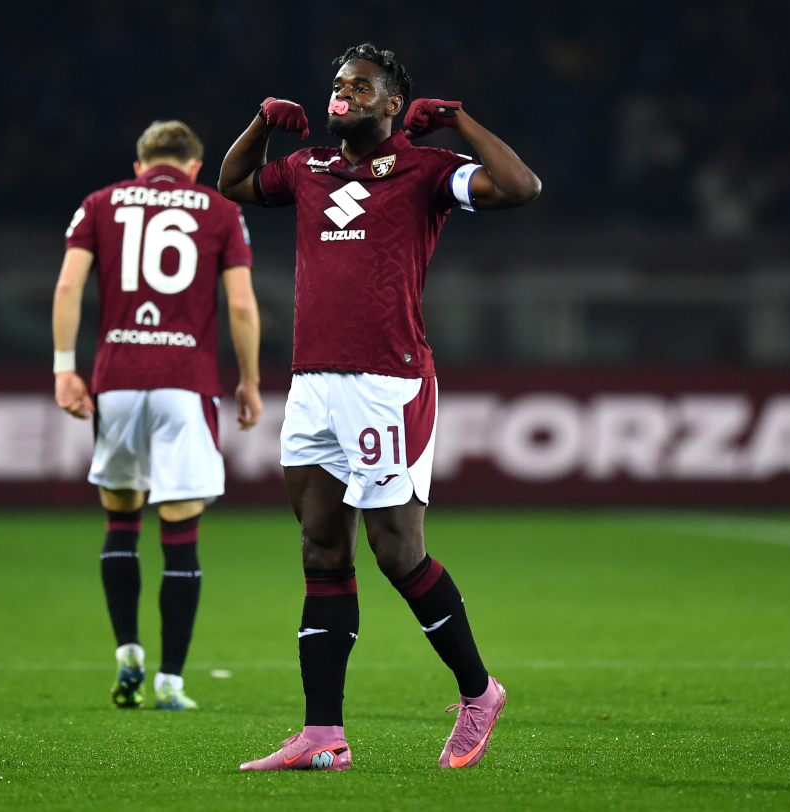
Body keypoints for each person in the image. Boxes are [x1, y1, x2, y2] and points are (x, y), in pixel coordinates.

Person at [218, 43, 540, 769]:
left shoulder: (426, 170)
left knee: (397, 551)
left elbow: (520, 186)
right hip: (312, 384)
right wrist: (261, 122)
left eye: (362, 86)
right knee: (320, 548)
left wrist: (457, 121)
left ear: (394, 105)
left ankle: (479, 690)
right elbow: (233, 181)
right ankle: (323, 735)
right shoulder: (308, 169)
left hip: (386, 384)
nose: (344, 93)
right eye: (338, 83)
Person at [52, 120, 263, 711]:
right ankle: (170, 680)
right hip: (185, 385)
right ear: (193, 167)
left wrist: (64, 368)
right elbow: (241, 303)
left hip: (115, 382)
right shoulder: (219, 210)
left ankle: (127, 653)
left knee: (121, 521)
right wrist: (247, 379)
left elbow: (69, 288)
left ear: (140, 163)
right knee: (180, 530)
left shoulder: (100, 203)